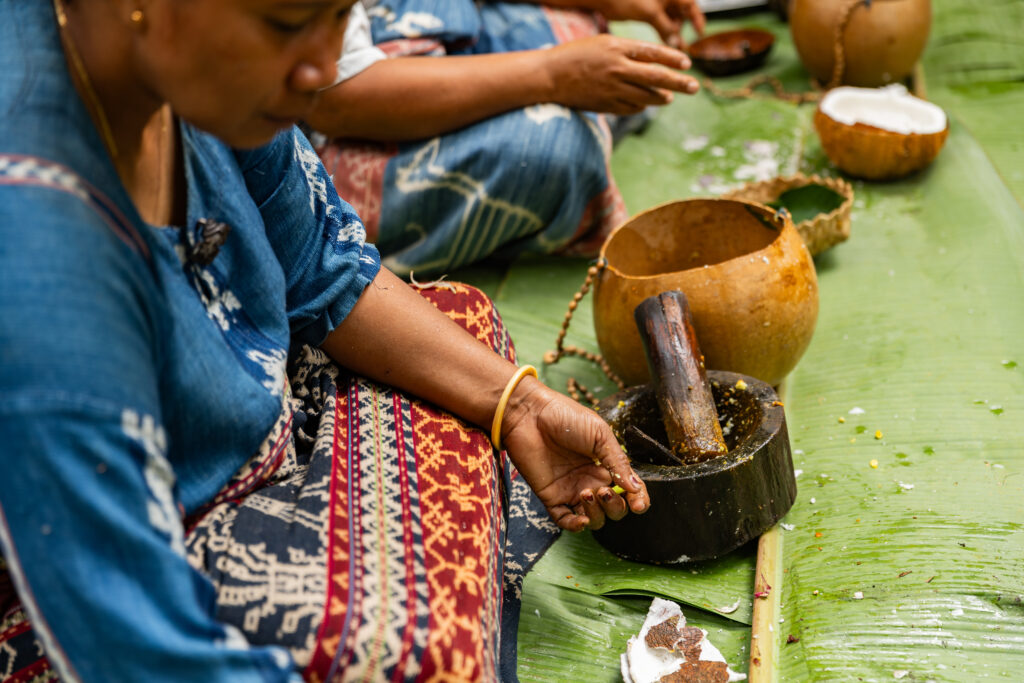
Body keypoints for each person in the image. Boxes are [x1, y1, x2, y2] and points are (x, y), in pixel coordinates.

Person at [0, 1, 651, 681]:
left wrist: (516, 405)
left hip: (251, 425)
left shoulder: (202, 71)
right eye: (286, 25)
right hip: (103, 579)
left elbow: (317, 260)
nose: (321, 72)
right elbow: (132, 639)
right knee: (420, 658)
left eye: (340, 15)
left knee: (460, 325)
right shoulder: (36, 244)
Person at [309, 0, 705, 276]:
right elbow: (330, 98)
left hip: (398, 20)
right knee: (556, 149)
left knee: (583, 36)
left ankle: (589, 99)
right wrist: (553, 74)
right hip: (330, 129)